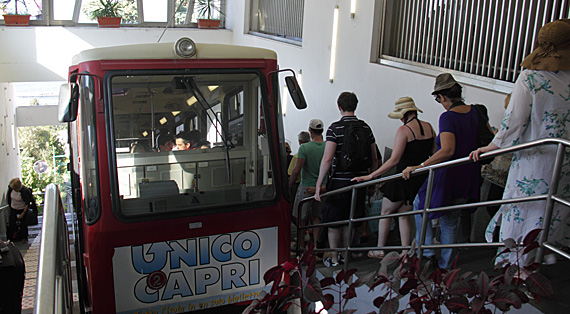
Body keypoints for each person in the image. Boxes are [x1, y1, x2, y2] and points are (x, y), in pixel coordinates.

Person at [470, 19, 570, 267]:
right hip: (565, 158)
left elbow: (513, 120)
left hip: (536, 157)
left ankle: (517, 264)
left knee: (525, 207)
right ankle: (546, 253)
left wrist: (491, 147)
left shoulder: (531, 78)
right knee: (553, 208)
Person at [402, 73, 482, 270]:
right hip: (469, 173)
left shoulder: (448, 117)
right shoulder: (476, 112)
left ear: (442, 97)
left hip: (449, 175)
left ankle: (428, 250)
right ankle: (446, 265)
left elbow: (447, 150)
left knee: (420, 205)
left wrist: (420, 166)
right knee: (450, 220)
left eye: (437, 99)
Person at [353, 97, 435, 259]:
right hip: (420, 177)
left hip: (403, 177)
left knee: (386, 212)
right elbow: (434, 152)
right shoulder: (429, 127)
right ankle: (405, 251)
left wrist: (371, 175)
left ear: (403, 114)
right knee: (404, 213)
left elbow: (394, 160)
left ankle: (379, 248)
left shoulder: (404, 130)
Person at [315, 92, 379, 267]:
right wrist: (372, 180)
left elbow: (327, 159)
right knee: (350, 220)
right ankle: (345, 255)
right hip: (360, 182)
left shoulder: (335, 128)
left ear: (339, 106)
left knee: (334, 223)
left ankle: (335, 259)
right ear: (355, 105)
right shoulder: (366, 128)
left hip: (339, 183)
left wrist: (319, 185)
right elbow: (375, 158)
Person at [289, 120, 326, 249]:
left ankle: (300, 244)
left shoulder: (305, 148)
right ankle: (316, 245)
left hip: (306, 187)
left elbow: (296, 170)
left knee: (300, 217)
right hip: (321, 188)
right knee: (317, 217)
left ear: (310, 131)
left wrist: (289, 184)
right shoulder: (328, 146)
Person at [6, 178, 36, 242]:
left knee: (23, 224)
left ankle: (25, 237)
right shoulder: (11, 189)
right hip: (13, 208)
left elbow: (27, 204)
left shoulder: (25, 191)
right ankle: (13, 236)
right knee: (12, 222)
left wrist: (23, 213)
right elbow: (9, 198)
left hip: (22, 208)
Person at [288, 131, 311, 211]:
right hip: (316, 185)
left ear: (300, 142)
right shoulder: (316, 153)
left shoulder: (297, 156)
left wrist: (289, 185)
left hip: (300, 186)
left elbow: (293, 173)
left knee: (298, 211)